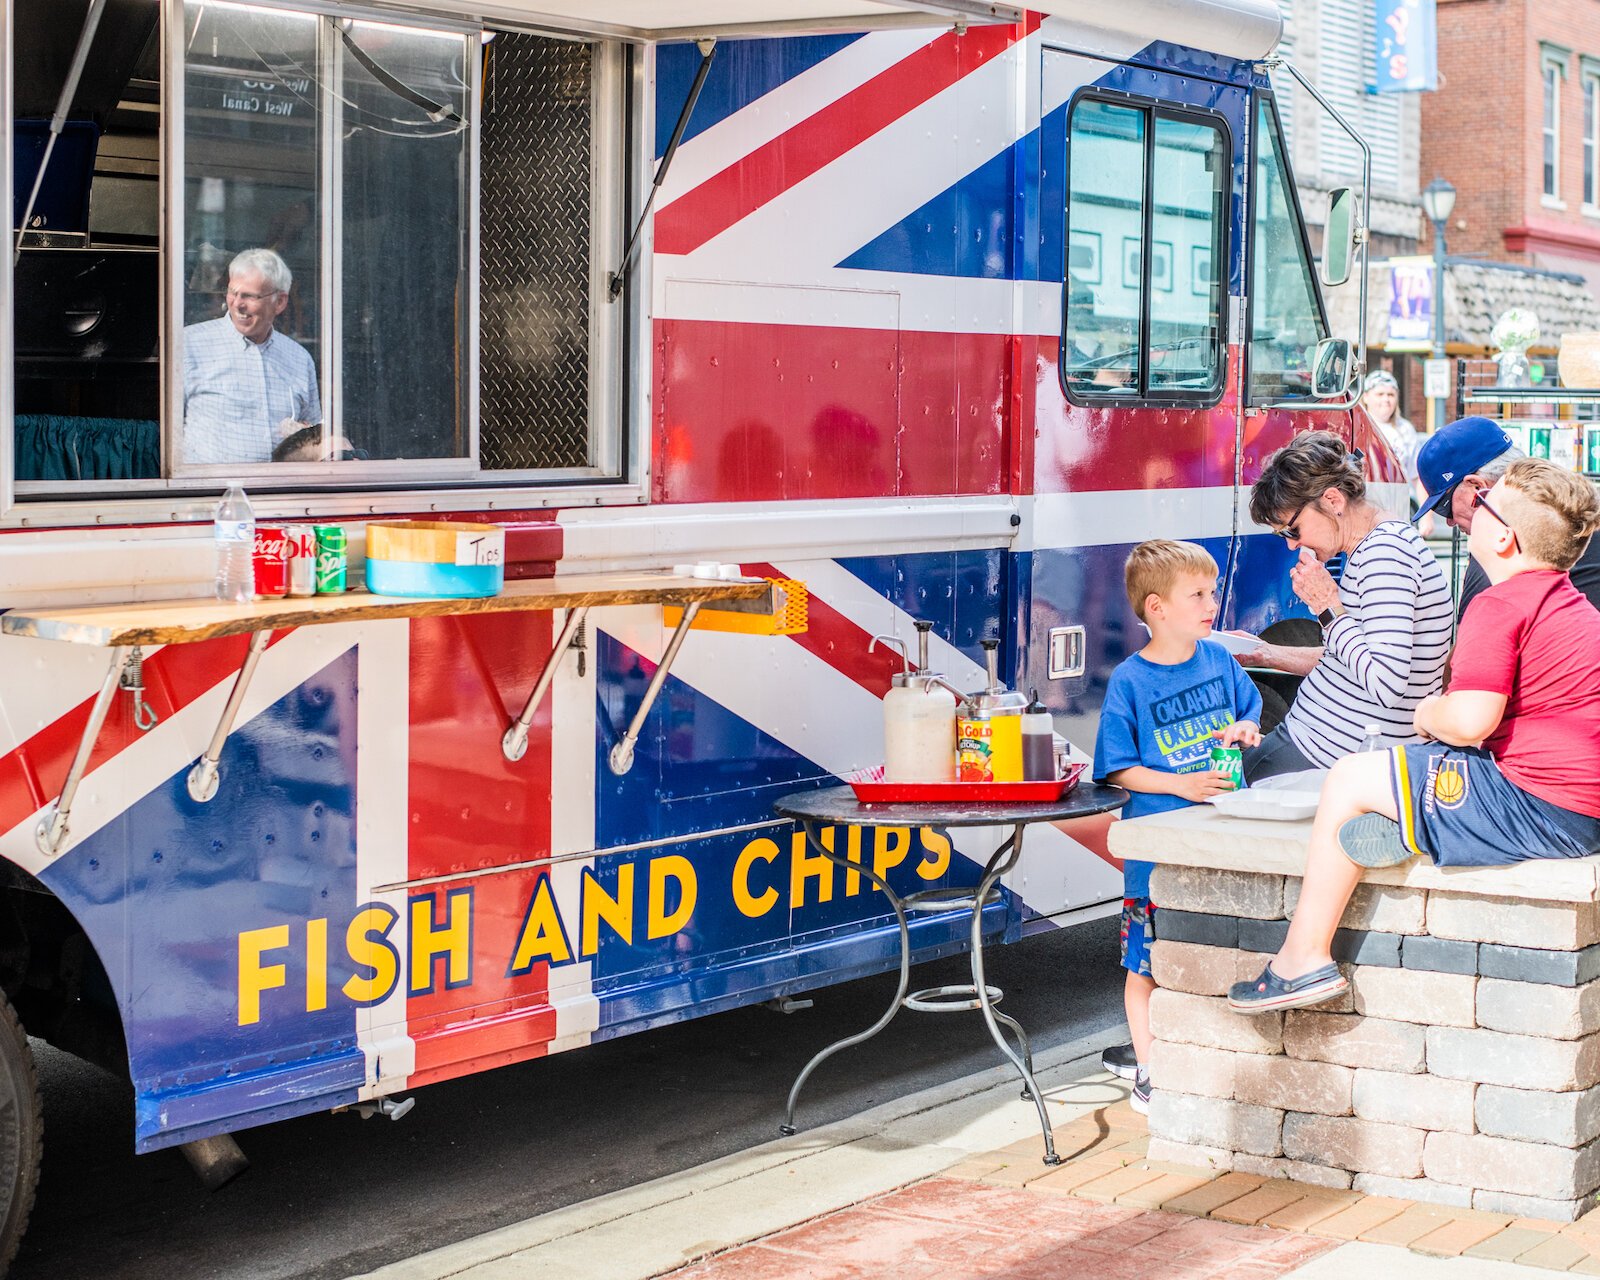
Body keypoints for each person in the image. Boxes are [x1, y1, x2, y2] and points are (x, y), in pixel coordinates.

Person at [1228, 459, 1600, 1012]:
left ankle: (1302, 958)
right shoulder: (1565, 598)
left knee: (1351, 779)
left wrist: (1430, 713)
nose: (1473, 508)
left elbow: (1469, 719)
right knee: (1410, 770)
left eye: (1487, 504)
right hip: (1568, 802)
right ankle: (1414, 823)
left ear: (1504, 537)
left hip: (1544, 809)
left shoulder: (1499, 603)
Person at [1093, 540, 1262, 1112]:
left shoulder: (1217, 658)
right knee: (1145, 965)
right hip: (1156, 857)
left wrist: (1244, 729)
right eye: (1198, 594)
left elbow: (1249, 708)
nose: (1211, 603)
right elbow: (1118, 767)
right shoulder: (1129, 681)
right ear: (1157, 607)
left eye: (1211, 592)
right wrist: (1181, 786)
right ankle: (1147, 1071)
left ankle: (1200, 1059)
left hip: (1218, 843)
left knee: (1206, 953)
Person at [1236, 432, 1452, 781]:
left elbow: (1384, 681)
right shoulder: (1378, 545)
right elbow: (1351, 659)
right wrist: (1264, 653)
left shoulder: (1385, 556)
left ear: (1333, 500)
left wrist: (1328, 606)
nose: (1293, 546)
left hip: (1327, 753)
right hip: (1326, 747)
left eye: (1293, 530)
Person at [1414, 415, 1600, 617]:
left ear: (1477, 487)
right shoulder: (1576, 507)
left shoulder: (1500, 541)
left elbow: (1471, 643)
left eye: (1444, 507)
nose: (1449, 522)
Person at [182, 248, 321, 466]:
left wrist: (304, 434)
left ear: (280, 302)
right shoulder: (189, 344)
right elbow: (165, 432)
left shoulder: (299, 359)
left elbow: (315, 440)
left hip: (281, 490)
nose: (238, 304)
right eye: (232, 292)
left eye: (249, 296)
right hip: (211, 490)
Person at [1360, 370, 1429, 530]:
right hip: (1363, 511)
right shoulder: (1358, 426)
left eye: (1390, 394)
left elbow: (1418, 476)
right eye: (1380, 394)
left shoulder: (1405, 429)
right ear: (1366, 397)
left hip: (1398, 511)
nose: (1386, 399)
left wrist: (1426, 516)